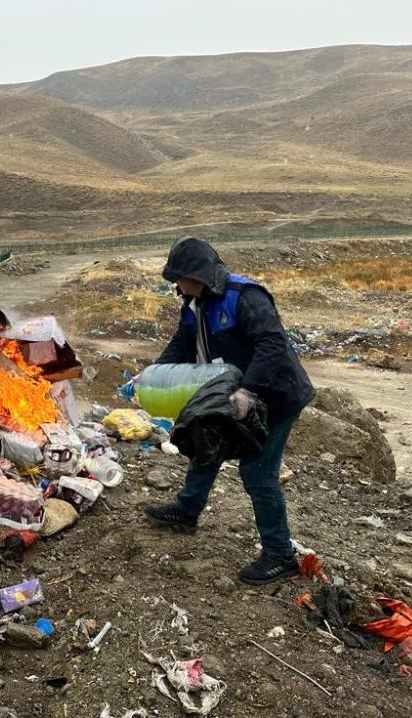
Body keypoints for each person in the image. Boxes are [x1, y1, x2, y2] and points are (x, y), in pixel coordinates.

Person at [143, 237, 316, 585]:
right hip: (229, 393)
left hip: (275, 399)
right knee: (204, 444)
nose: (175, 286)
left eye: (179, 278)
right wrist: (153, 376)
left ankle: (280, 555)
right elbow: (182, 343)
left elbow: (273, 344)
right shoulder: (193, 302)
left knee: (258, 473)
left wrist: (248, 392)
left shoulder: (245, 297)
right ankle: (187, 511)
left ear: (198, 274)